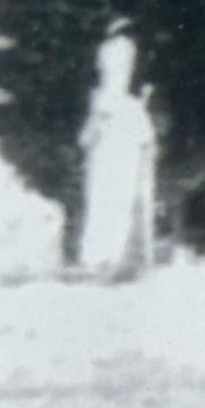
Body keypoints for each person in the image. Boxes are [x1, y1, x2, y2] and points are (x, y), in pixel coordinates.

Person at [65, 19, 158, 281]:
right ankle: (106, 255)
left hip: (120, 121)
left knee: (113, 191)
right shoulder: (113, 82)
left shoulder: (117, 59)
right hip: (122, 121)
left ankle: (108, 256)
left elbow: (112, 92)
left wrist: (94, 124)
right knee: (111, 191)